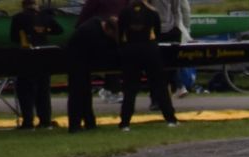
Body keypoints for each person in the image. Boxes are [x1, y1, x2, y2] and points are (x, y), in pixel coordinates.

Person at [118, 0, 177, 129]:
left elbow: (120, 33)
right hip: (150, 50)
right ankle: (170, 118)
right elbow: (157, 31)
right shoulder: (152, 12)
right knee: (160, 85)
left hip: (131, 50)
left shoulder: (124, 12)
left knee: (130, 89)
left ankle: (125, 122)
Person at [10, 0, 64, 129]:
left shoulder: (19, 17)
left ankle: (28, 122)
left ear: (23, 5)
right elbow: (59, 30)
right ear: (36, 5)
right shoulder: (45, 16)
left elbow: (13, 37)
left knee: (25, 90)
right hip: (44, 54)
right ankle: (45, 121)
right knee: (43, 90)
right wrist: (45, 30)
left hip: (27, 54)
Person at [64, 14, 116, 133]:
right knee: (77, 94)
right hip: (76, 62)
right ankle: (75, 125)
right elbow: (100, 54)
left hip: (82, 62)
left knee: (85, 93)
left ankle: (89, 122)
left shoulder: (95, 24)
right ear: (108, 29)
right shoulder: (92, 33)